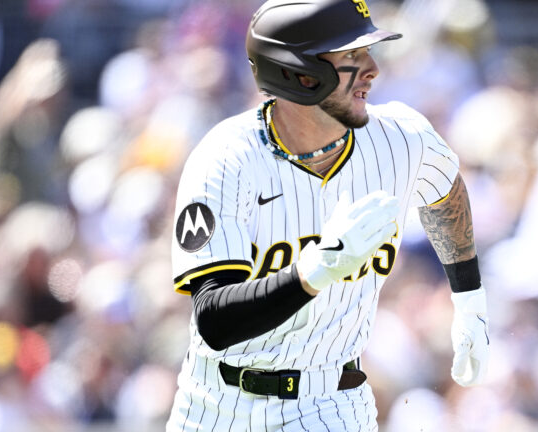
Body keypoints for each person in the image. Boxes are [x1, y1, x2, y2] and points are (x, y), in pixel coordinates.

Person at [166, 0, 490, 430]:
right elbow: (214, 319)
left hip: (332, 402)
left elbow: (446, 191)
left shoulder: (402, 138)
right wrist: (315, 270)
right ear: (299, 72)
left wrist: (469, 302)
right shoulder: (226, 158)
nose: (372, 69)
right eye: (351, 56)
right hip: (217, 404)